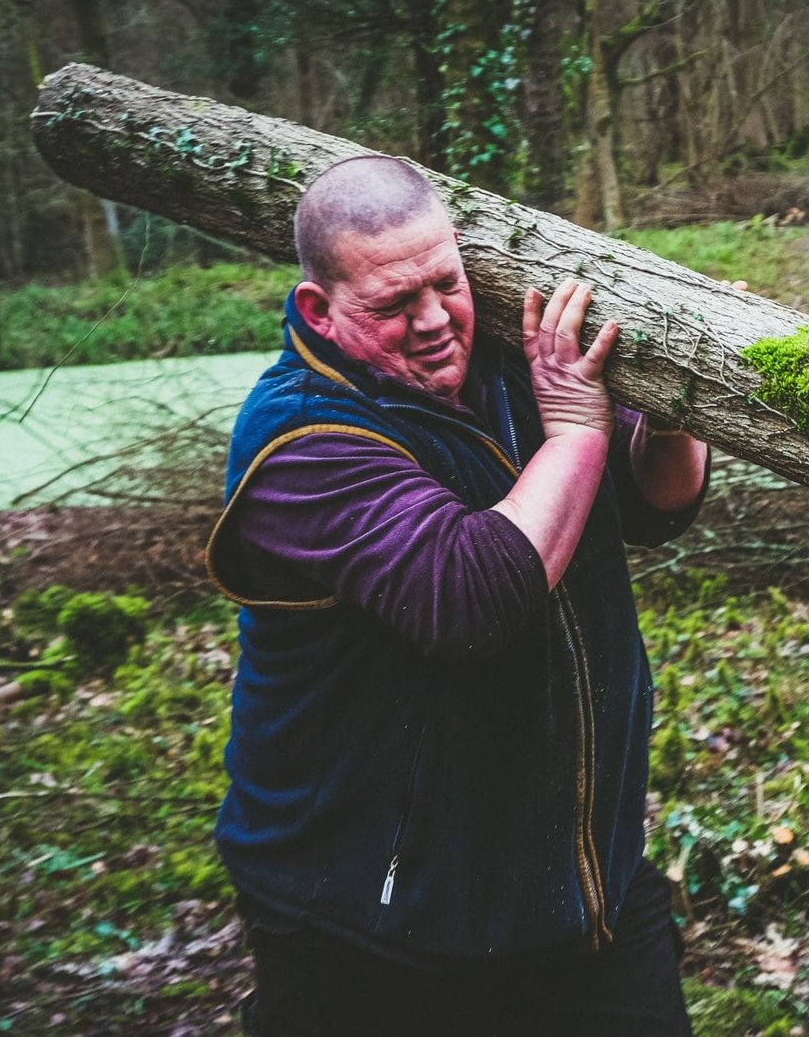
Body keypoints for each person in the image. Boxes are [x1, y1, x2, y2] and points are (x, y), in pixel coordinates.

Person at [204, 155, 708, 1036]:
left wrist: (670, 410)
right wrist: (580, 430)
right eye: (393, 304)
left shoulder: (510, 359)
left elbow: (655, 502)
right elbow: (473, 598)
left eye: (447, 283)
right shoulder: (299, 439)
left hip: (581, 892)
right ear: (321, 309)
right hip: (371, 928)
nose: (435, 321)